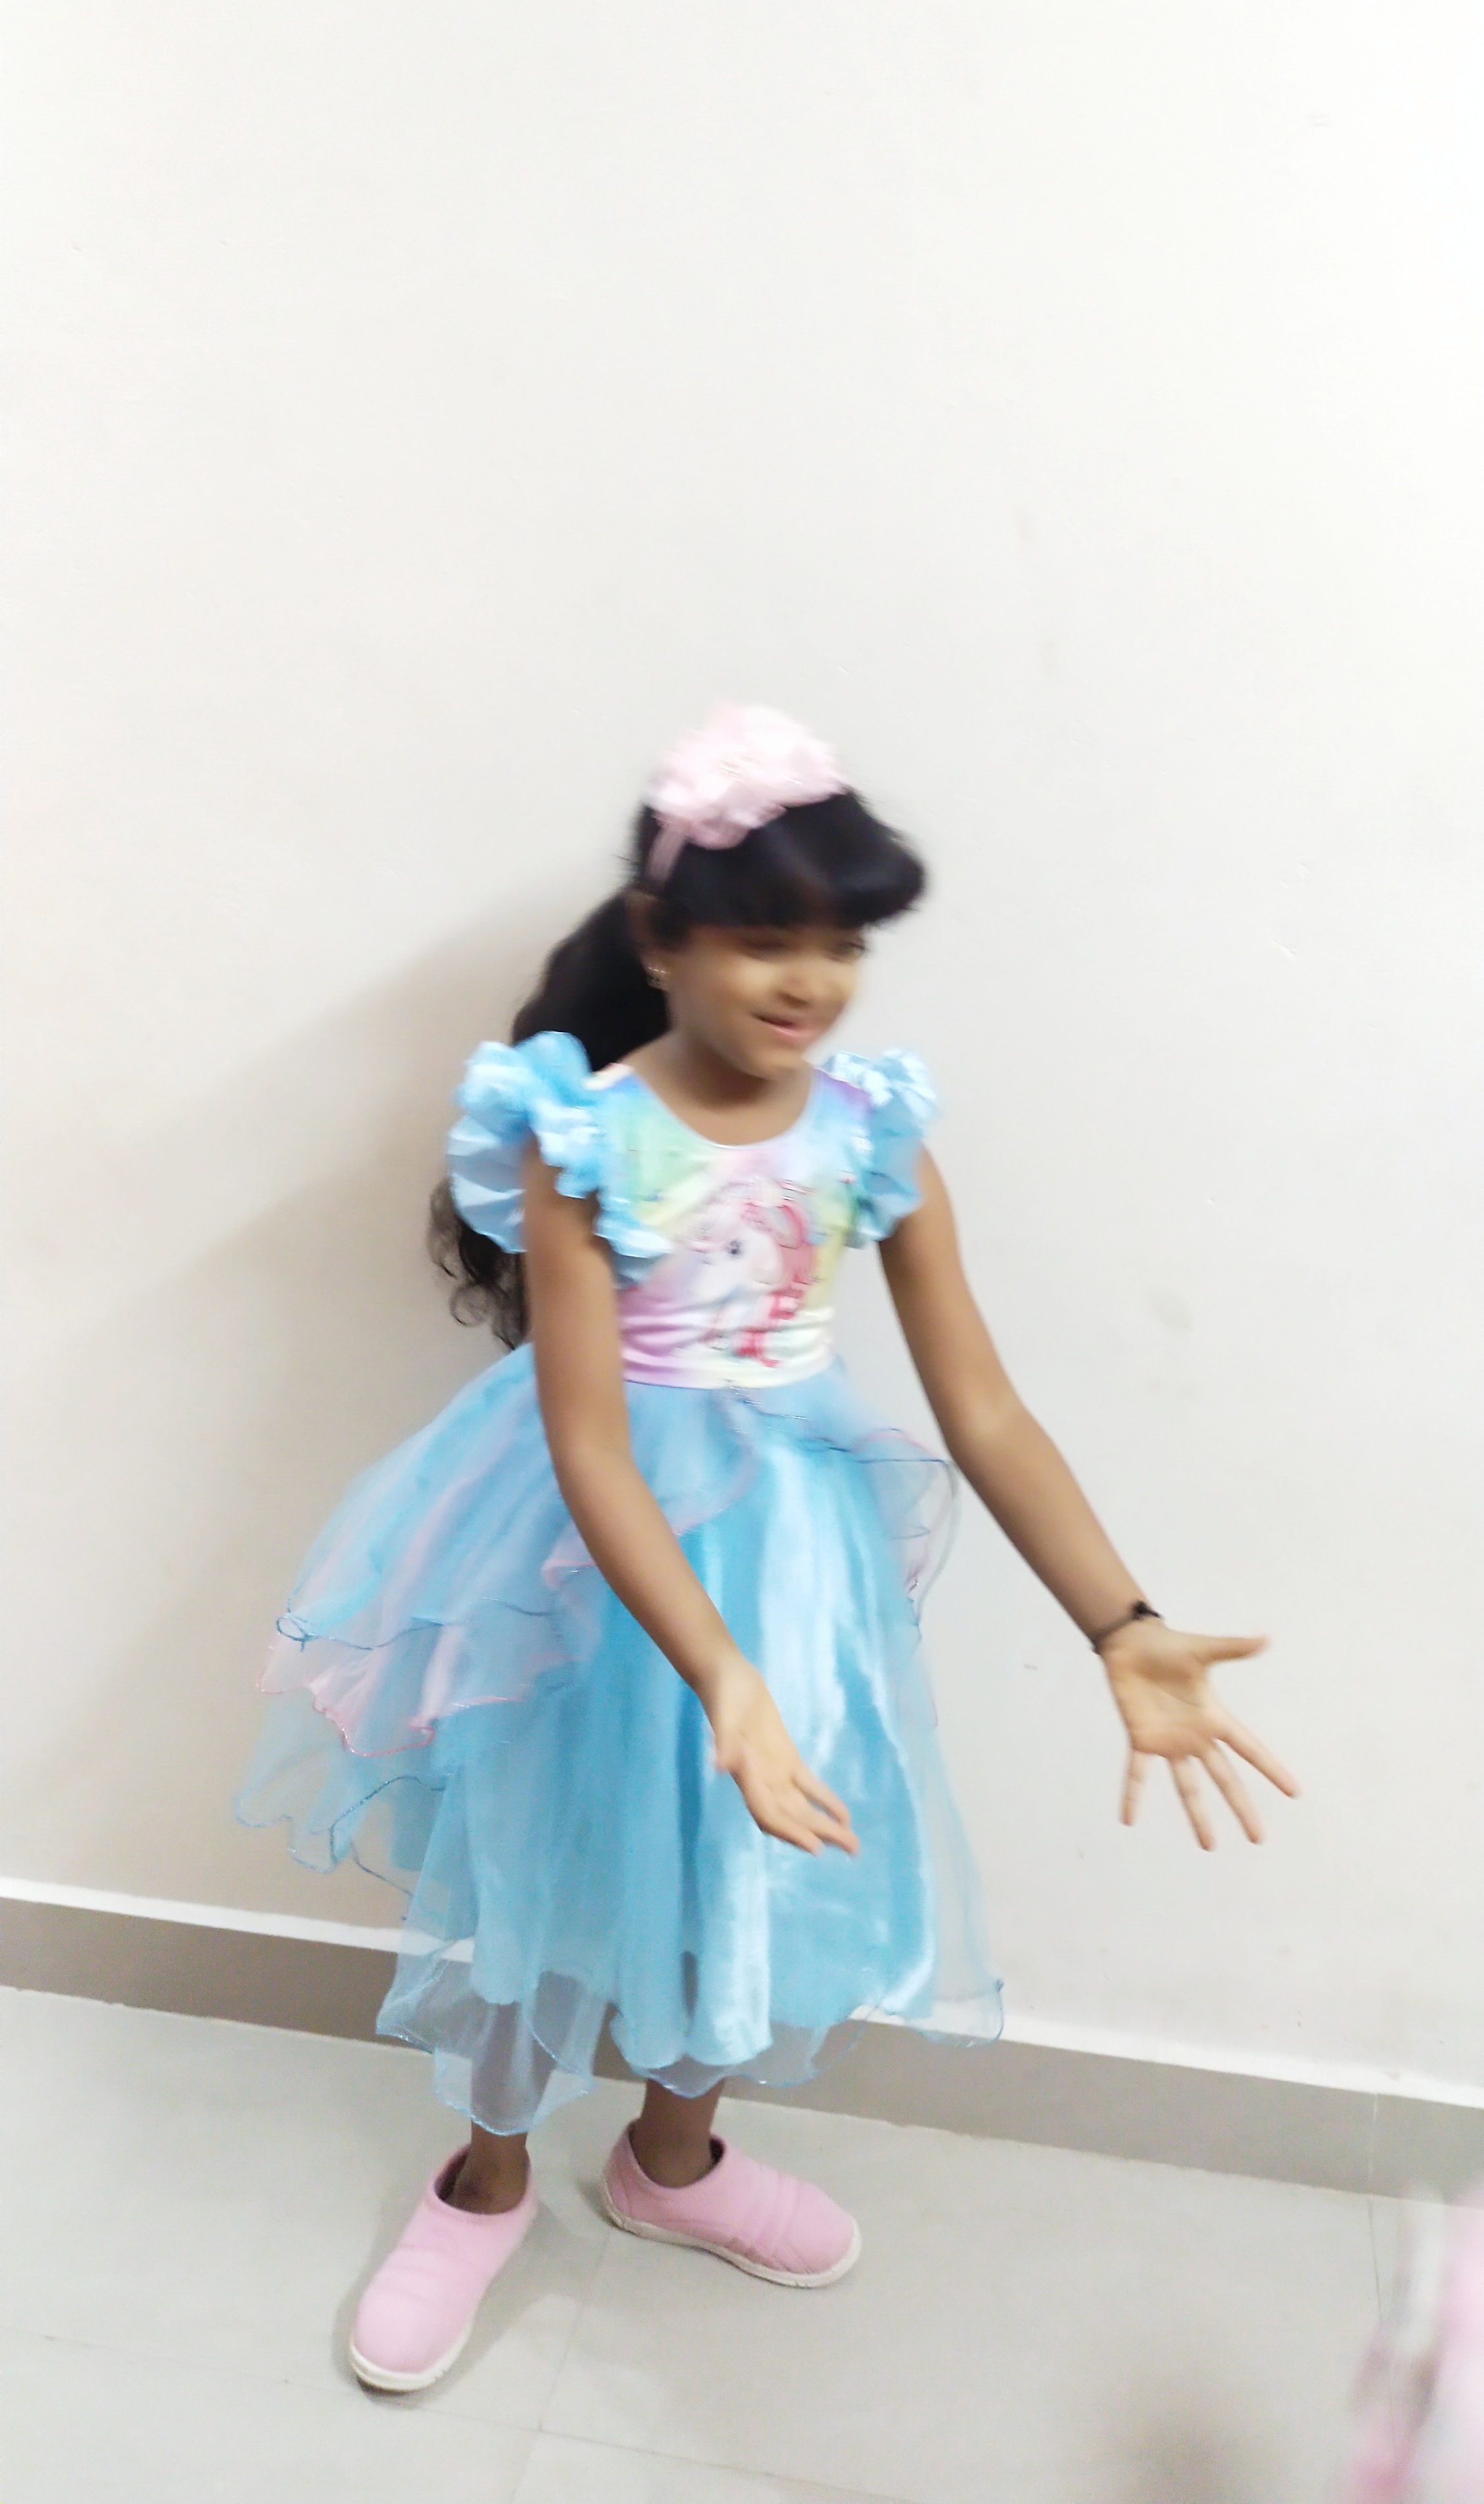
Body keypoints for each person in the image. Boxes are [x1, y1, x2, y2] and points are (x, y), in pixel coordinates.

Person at [237, 702, 1297, 2395]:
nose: (810, 981)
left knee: (744, 1862)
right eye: (764, 938)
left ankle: (672, 2159)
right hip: (586, 1560)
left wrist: (1121, 1618)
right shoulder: (582, 1135)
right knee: (534, 1854)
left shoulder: (870, 1128)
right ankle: (485, 2178)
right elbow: (589, 1442)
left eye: (841, 943)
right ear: (661, 938)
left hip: (790, 1553)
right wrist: (714, 1670)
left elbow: (983, 1407)